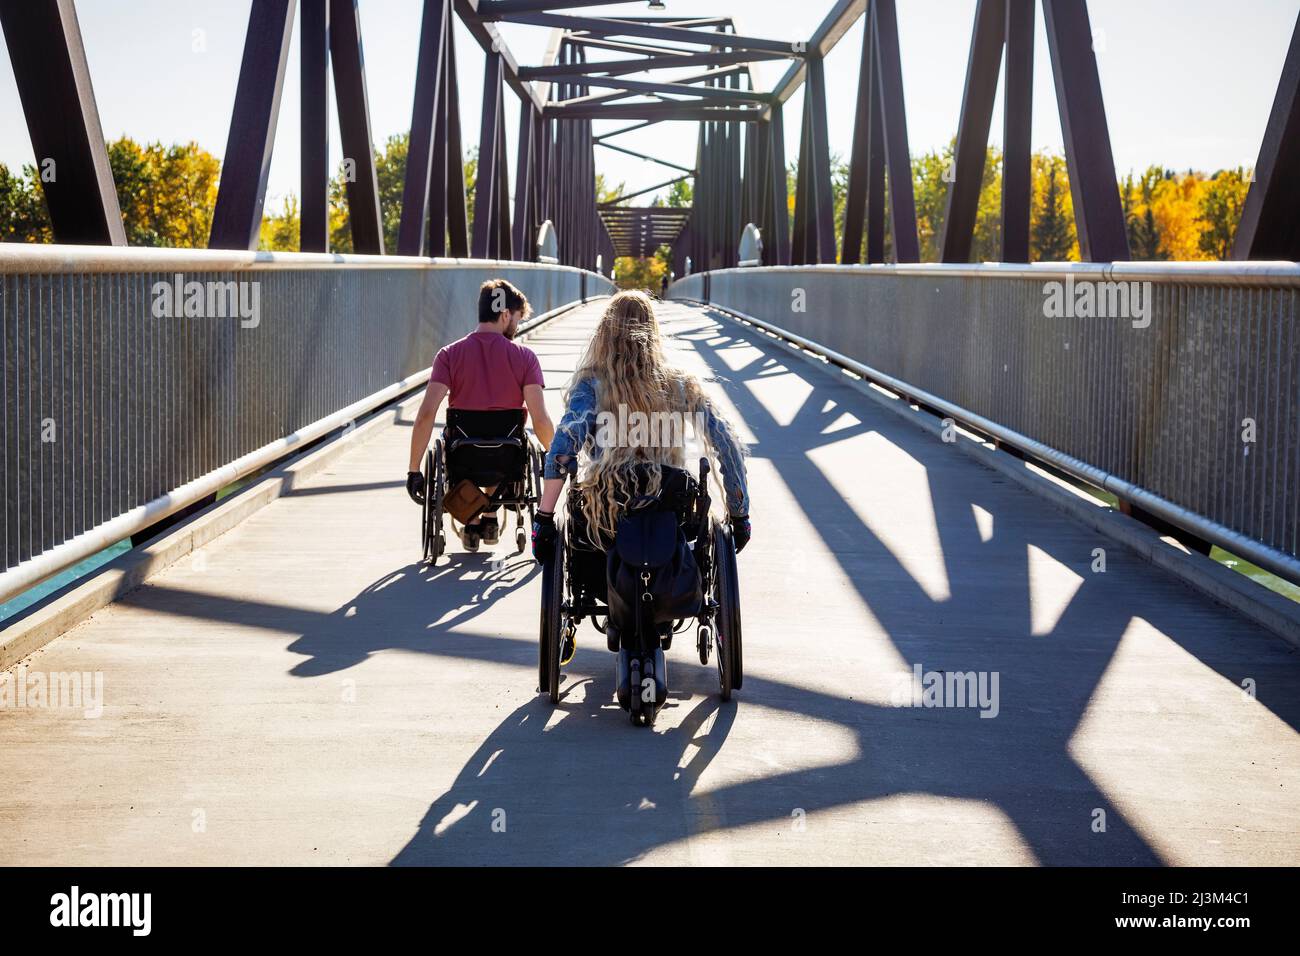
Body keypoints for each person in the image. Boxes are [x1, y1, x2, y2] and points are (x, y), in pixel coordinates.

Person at [531, 290, 750, 658]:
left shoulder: (592, 385)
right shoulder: (681, 384)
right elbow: (726, 443)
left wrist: (544, 517)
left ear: (605, 334)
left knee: (584, 506)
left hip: (608, 509)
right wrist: (739, 513)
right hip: (672, 505)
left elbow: (566, 443)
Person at [406, 278, 555, 550]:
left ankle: (472, 519)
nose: (517, 326)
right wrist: (554, 455)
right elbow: (541, 419)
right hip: (507, 457)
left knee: (457, 440)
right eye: (517, 319)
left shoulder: (449, 355)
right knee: (506, 441)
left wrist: (414, 470)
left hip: (463, 456)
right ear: (505, 314)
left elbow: (426, 414)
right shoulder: (525, 357)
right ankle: (489, 517)